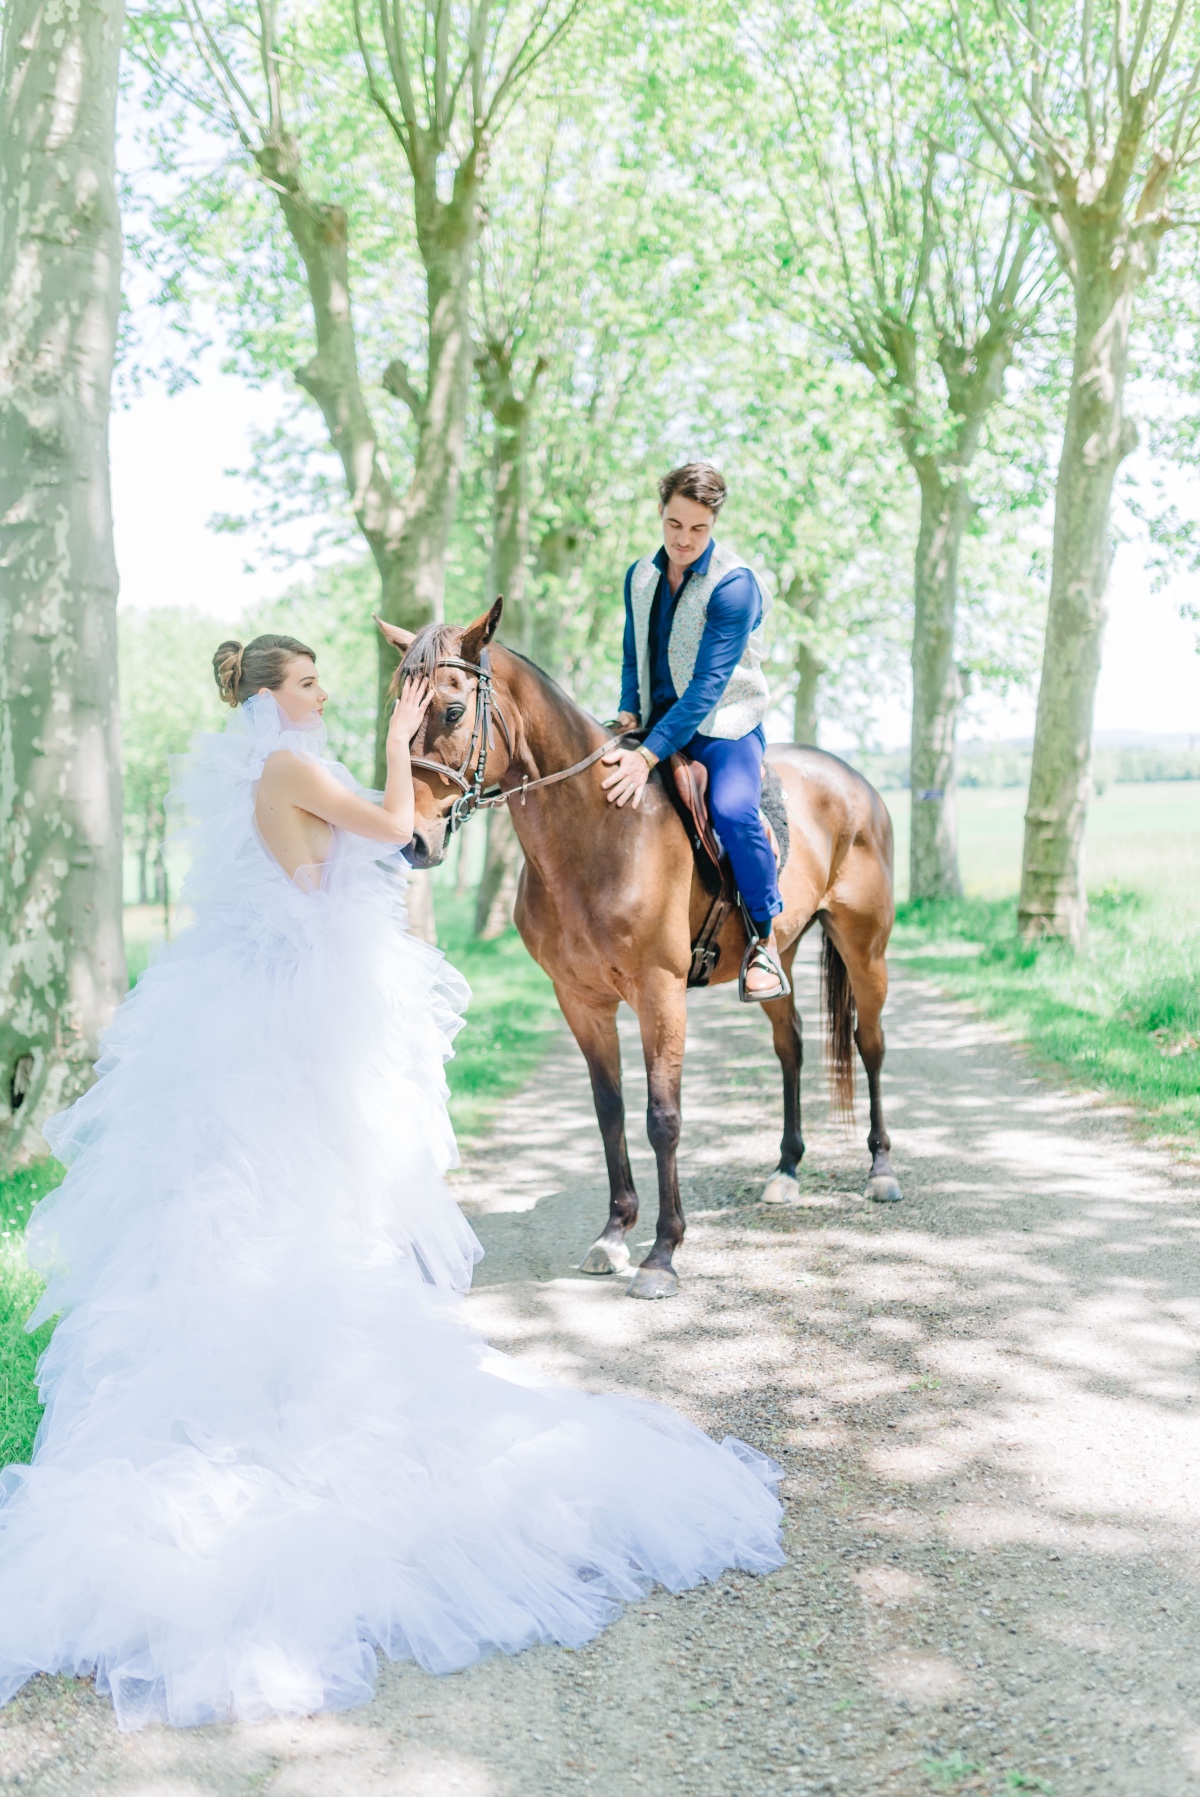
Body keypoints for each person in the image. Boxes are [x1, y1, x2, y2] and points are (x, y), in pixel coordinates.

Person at [0, 633, 783, 1731]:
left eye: (327, 683)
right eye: (311, 683)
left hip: (262, 1005)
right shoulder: (288, 767)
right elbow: (401, 827)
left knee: (271, 1202)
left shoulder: (260, 769)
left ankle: (757, 918)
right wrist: (402, 736)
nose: (327, 694)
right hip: (293, 1018)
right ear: (274, 699)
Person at [602, 463, 788, 1000]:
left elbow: (707, 689)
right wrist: (629, 708)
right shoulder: (640, 575)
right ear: (661, 516)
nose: (683, 539)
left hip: (724, 724)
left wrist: (647, 756)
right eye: (673, 524)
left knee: (732, 811)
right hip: (656, 722)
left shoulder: (735, 586)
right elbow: (631, 652)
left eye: (697, 529)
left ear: (714, 522)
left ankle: (763, 940)